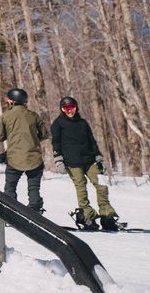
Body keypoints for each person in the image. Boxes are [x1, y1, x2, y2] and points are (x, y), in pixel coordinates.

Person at [51, 96, 120, 230]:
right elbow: (56, 143)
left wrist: (98, 156)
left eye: (72, 108)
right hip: (72, 162)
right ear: (62, 109)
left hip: (89, 160)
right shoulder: (58, 124)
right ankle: (88, 216)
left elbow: (92, 140)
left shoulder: (83, 123)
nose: (69, 111)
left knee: (101, 185)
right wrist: (58, 159)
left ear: (76, 108)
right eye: (66, 108)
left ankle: (107, 215)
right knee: (81, 188)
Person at [0, 88, 49, 213]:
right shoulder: (34, 115)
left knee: (10, 186)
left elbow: (0, 137)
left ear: (11, 101)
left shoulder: (5, 116)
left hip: (14, 159)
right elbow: (45, 134)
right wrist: (33, 140)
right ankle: (35, 208)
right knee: (34, 187)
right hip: (34, 158)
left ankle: (10, 210)